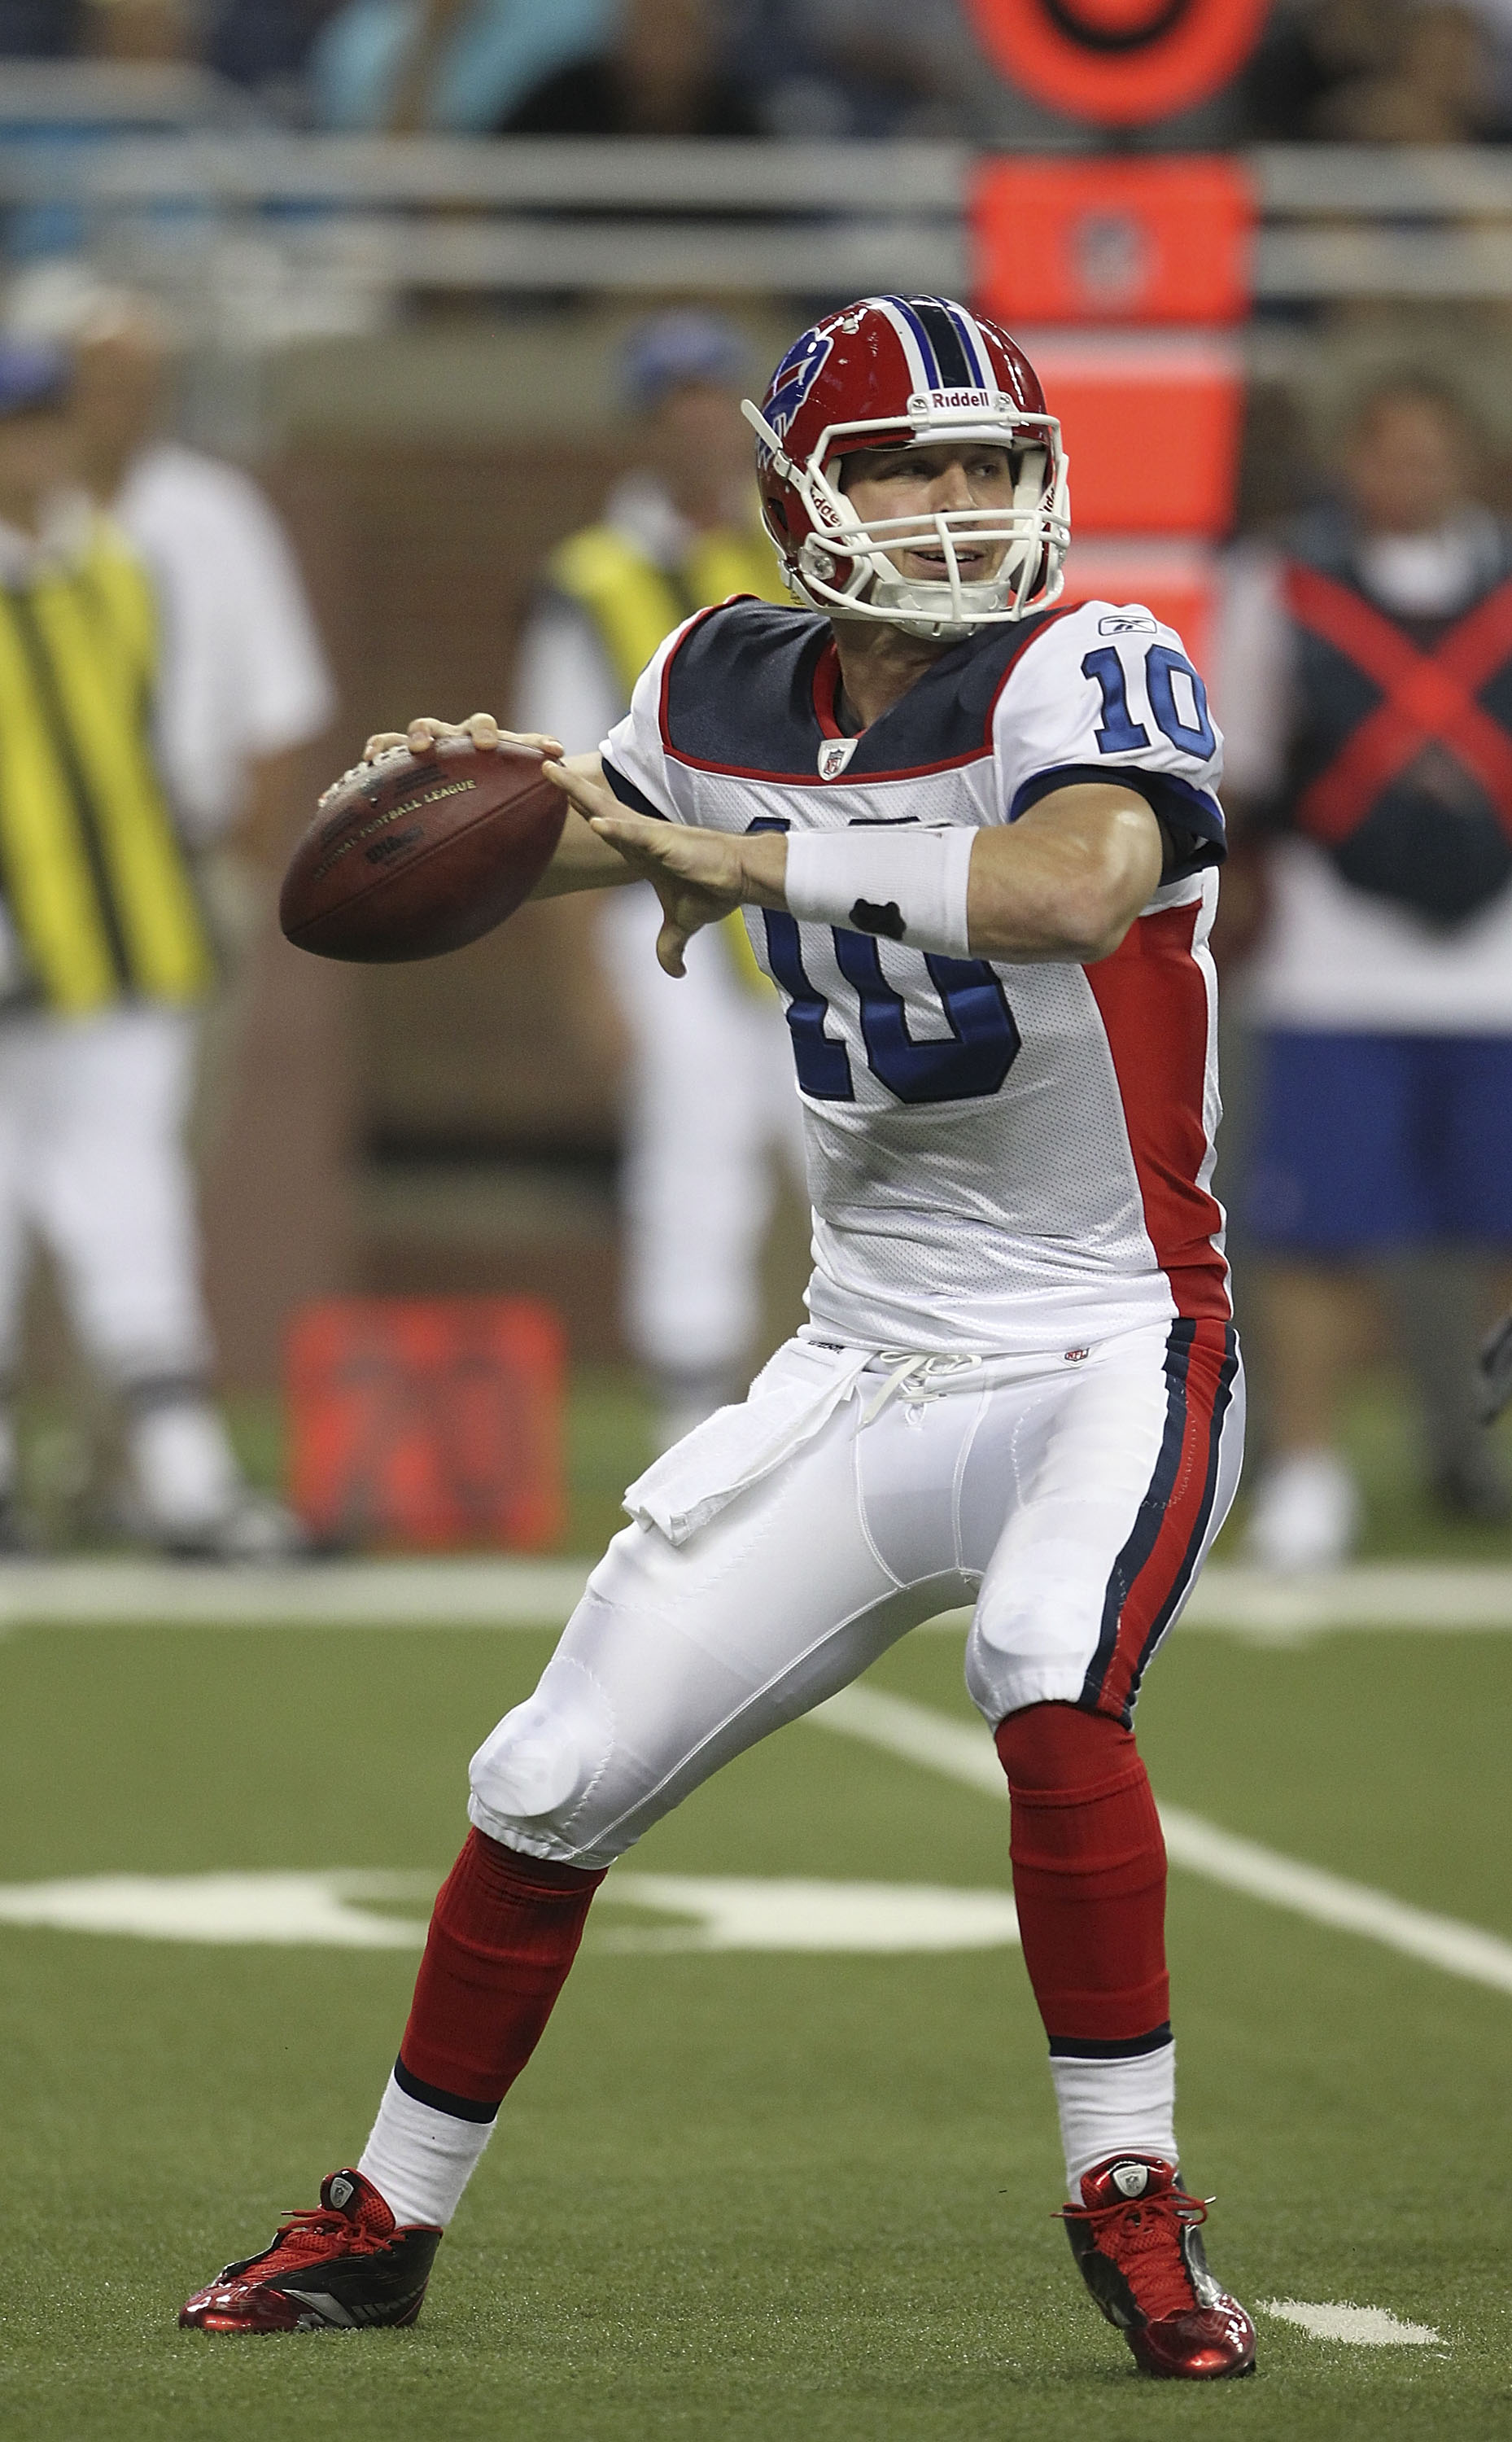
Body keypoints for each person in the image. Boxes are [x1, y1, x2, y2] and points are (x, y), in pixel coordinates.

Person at [181, 295, 1256, 2380]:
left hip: (1107, 1340)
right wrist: (462, 805)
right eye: (900, 471)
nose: (954, 513)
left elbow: (1065, 887)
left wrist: (727, 851)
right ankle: (384, 2216)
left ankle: (1128, 2191)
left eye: (984, 467)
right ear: (798, 499)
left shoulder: (1091, 660)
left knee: (1044, 1673)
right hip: (860, 1360)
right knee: (547, 1772)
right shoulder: (712, 673)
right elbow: (601, 831)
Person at [0, 336, 295, 1556]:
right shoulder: (109, 564)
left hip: (125, 944)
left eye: (45, 423)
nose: (35, 449)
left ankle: (179, 1480)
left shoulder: (124, 566)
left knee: (133, 1209)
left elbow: (170, 764)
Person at [1220, 374, 1512, 1569]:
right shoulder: (1277, 589)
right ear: (1353, 462)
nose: (1409, 476)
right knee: (1316, 1237)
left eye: (1430, 453)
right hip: (1334, 964)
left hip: (1495, 968)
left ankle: (1479, 1448)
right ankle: (1307, 1468)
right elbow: (1233, 769)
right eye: (1385, 453)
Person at [514, 313, 805, 1446]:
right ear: (641, 425)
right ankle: (689, 1438)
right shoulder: (589, 579)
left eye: (711, 400)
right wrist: (579, 981)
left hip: (813, 914)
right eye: (672, 403)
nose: (694, 423)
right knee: (692, 1181)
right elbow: (549, 785)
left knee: (863, 1172)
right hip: (668, 933)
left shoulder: (797, 554)